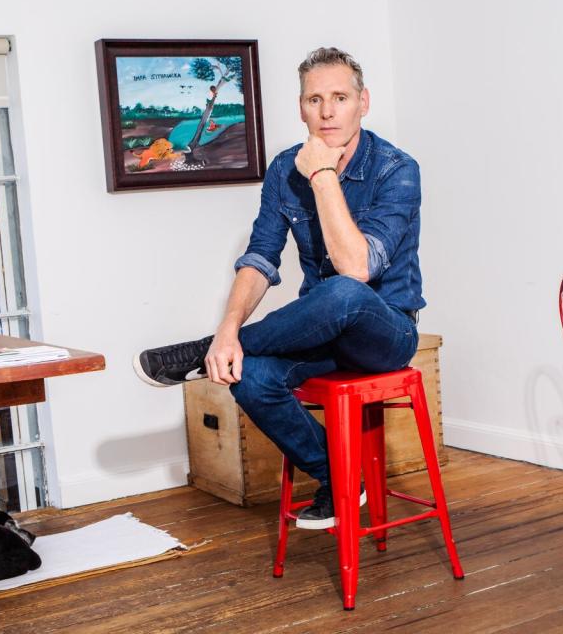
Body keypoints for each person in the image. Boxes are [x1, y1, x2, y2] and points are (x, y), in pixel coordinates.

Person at [134, 47, 424, 529]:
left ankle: (195, 355)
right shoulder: (283, 169)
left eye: (340, 97)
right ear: (300, 106)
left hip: (386, 332)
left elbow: (357, 268)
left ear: (363, 102)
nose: (327, 112)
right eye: (315, 99)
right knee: (249, 376)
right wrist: (228, 329)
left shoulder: (396, 169)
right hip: (321, 330)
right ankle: (340, 477)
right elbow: (261, 257)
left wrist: (323, 173)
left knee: (345, 292)